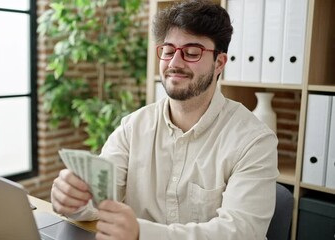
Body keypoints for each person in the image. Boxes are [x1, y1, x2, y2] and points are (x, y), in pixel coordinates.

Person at [50, 0, 279, 239]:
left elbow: (242, 232)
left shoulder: (254, 141)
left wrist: (141, 232)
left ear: (219, 63)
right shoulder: (133, 127)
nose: (174, 63)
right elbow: (97, 199)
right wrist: (73, 200)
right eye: (168, 51)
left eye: (192, 53)